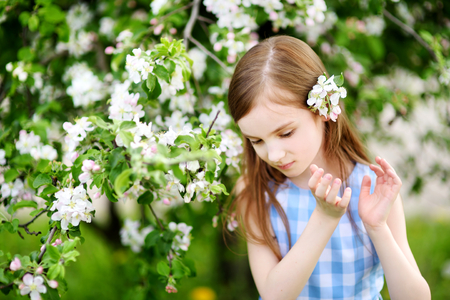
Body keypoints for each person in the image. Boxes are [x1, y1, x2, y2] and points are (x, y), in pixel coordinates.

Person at [227, 35, 431, 300]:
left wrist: (377, 228)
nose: (274, 154)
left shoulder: (370, 186)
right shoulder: (256, 189)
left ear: (323, 110)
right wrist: (324, 218)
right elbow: (274, 294)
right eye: (257, 140)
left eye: (286, 133)